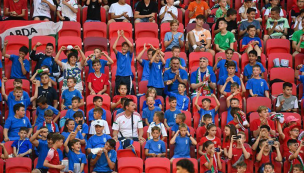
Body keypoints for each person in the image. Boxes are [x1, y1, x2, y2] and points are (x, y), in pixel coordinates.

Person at [113, 30, 134, 95]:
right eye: (123, 46)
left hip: (127, 76)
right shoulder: (119, 54)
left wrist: (124, 36)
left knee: (128, 93)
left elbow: (131, 46)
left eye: (126, 46)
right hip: (119, 75)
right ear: (121, 48)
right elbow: (113, 47)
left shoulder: (129, 54)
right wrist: (118, 37)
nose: (124, 47)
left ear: (128, 48)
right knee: (117, 92)